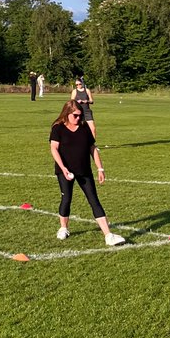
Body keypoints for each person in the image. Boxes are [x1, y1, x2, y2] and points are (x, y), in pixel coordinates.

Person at [49, 101, 124, 246]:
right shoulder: (58, 128)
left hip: (84, 171)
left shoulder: (84, 128)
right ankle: (63, 228)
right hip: (65, 171)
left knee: (94, 200)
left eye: (80, 115)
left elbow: (92, 148)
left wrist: (100, 168)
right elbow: (54, 148)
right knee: (67, 199)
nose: (78, 118)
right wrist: (63, 168)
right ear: (67, 113)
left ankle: (108, 235)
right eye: (75, 116)